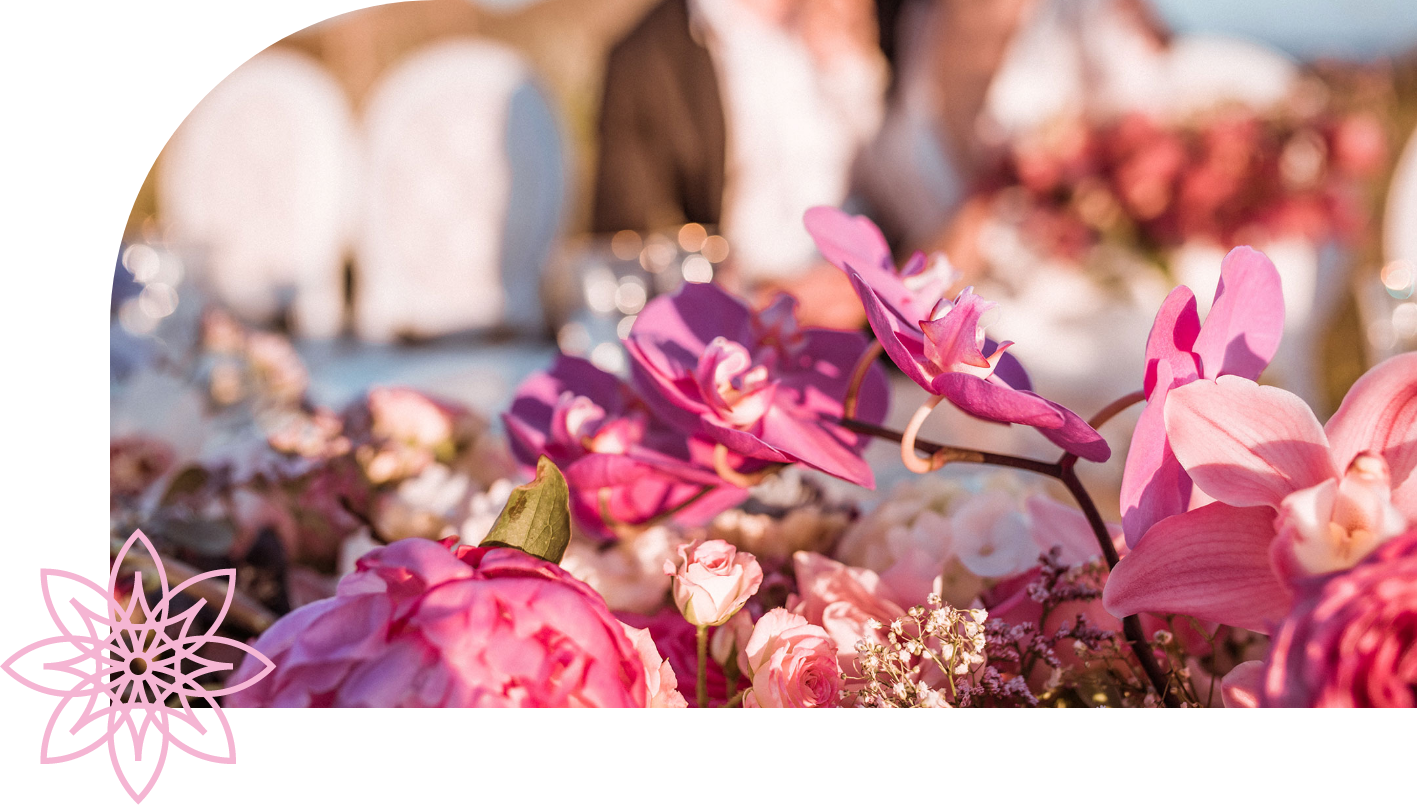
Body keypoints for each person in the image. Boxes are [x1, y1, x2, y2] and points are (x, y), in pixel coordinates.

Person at [591, 0, 887, 327]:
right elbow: (626, 252)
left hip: (875, 325)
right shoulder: (646, 57)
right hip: (735, 336)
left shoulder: (876, 19)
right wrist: (757, 302)